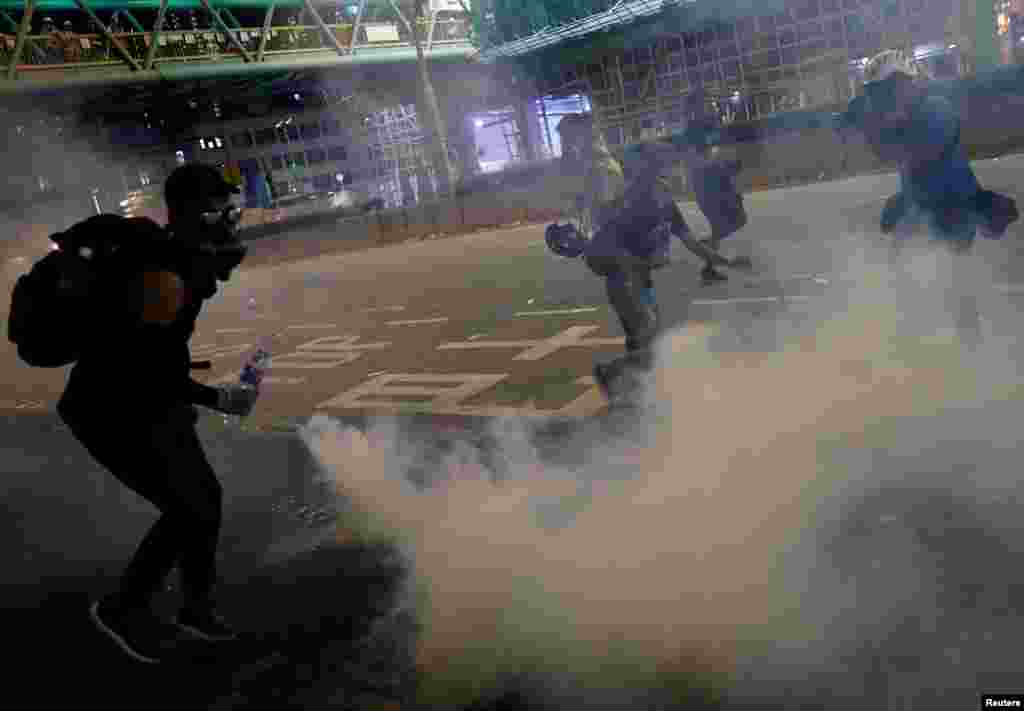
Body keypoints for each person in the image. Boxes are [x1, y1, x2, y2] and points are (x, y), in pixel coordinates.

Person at [57, 164, 256, 664]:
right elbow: (144, 369)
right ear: (197, 214)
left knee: (202, 500)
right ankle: (121, 610)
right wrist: (219, 399)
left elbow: (156, 362)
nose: (233, 222)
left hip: (145, 399)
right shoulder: (165, 276)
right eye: (225, 211)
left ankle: (195, 609)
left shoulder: (179, 263)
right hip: (107, 409)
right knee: (189, 507)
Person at [854, 48, 988, 346]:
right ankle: (922, 342)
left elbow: (927, 159)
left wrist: (906, 200)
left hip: (953, 209)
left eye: (886, 91)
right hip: (928, 208)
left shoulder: (935, 109)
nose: (882, 100)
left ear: (906, 84)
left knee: (953, 281)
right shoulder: (907, 117)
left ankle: (967, 349)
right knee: (907, 271)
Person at [586, 141, 734, 407]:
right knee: (648, 336)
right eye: (670, 168)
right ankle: (612, 375)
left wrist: (727, 262)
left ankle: (631, 393)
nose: (678, 173)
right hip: (625, 279)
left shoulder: (664, 203)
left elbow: (692, 243)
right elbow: (611, 240)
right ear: (656, 171)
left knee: (645, 341)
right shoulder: (637, 202)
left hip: (640, 280)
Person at [676, 124, 747, 285]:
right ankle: (704, 250)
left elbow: (717, 169)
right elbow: (714, 169)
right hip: (712, 201)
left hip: (712, 199)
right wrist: (730, 166)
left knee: (725, 228)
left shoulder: (698, 154)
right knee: (733, 223)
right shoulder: (697, 156)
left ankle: (707, 262)